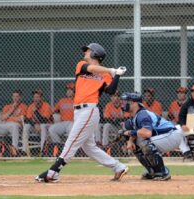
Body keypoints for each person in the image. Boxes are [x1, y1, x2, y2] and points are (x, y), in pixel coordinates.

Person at [35, 43, 128, 183]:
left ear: (95, 54)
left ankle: (53, 171)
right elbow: (91, 68)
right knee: (89, 147)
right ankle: (118, 167)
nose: (85, 52)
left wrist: (117, 76)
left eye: (88, 51)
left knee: (72, 140)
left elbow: (110, 91)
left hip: (89, 110)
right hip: (79, 111)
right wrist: (111, 70)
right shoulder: (82, 65)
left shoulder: (105, 74)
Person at [120, 92, 189, 180]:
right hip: (165, 136)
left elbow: (147, 133)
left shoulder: (142, 114)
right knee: (137, 145)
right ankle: (153, 172)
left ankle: (163, 172)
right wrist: (130, 141)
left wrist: (130, 133)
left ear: (135, 103)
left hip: (172, 135)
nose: (124, 103)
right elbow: (137, 131)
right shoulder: (135, 116)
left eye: (127, 101)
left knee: (145, 143)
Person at [0, 90, 27, 156]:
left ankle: (14, 149)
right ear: (12, 97)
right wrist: (12, 108)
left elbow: (21, 119)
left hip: (17, 126)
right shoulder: (7, 106)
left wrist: (9, 117)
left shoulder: (24, 106)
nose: (15, 98)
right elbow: (2, 118)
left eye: (17, 96)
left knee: (14, 126)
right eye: (14, 96)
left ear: (20, 97)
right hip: (6, 125)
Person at [22, 90, 53, 155]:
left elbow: (44, 120)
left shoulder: (46, 105)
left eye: (38, 97)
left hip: (48, 126)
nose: (36, 99)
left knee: (43, 126)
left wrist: (36, 111)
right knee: (26, 126)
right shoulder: (31, 106)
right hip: (36, 127)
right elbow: (27, 119)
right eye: (35, 97)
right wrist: (34, 124)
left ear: (41, 98)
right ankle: (24, 150)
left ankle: (43, 150)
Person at [48, 83, 75, 157]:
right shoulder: (62, 100)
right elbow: (53, 111)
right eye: (67, 90)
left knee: (72, 132)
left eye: (70, 90)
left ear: (74, 91)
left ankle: (70, 150)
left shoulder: (77, 100)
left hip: (73, 123)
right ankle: (59, 146)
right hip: (63, 123)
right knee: (52, 129)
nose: (68, 92)